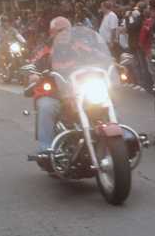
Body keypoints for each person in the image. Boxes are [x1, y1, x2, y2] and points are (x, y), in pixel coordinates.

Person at [31, 17, 112, 154]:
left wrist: (111, 62)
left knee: (105, 100)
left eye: (68, 30)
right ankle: (46, 149)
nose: (66, 33)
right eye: (61, 30)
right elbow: (34, 64)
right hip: (55, 92)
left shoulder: (78, 45)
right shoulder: (44, 49)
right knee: (46, 106)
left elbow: (98, 55)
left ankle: (120, 136)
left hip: (81, 90)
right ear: (52, 32)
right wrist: (33, 74)